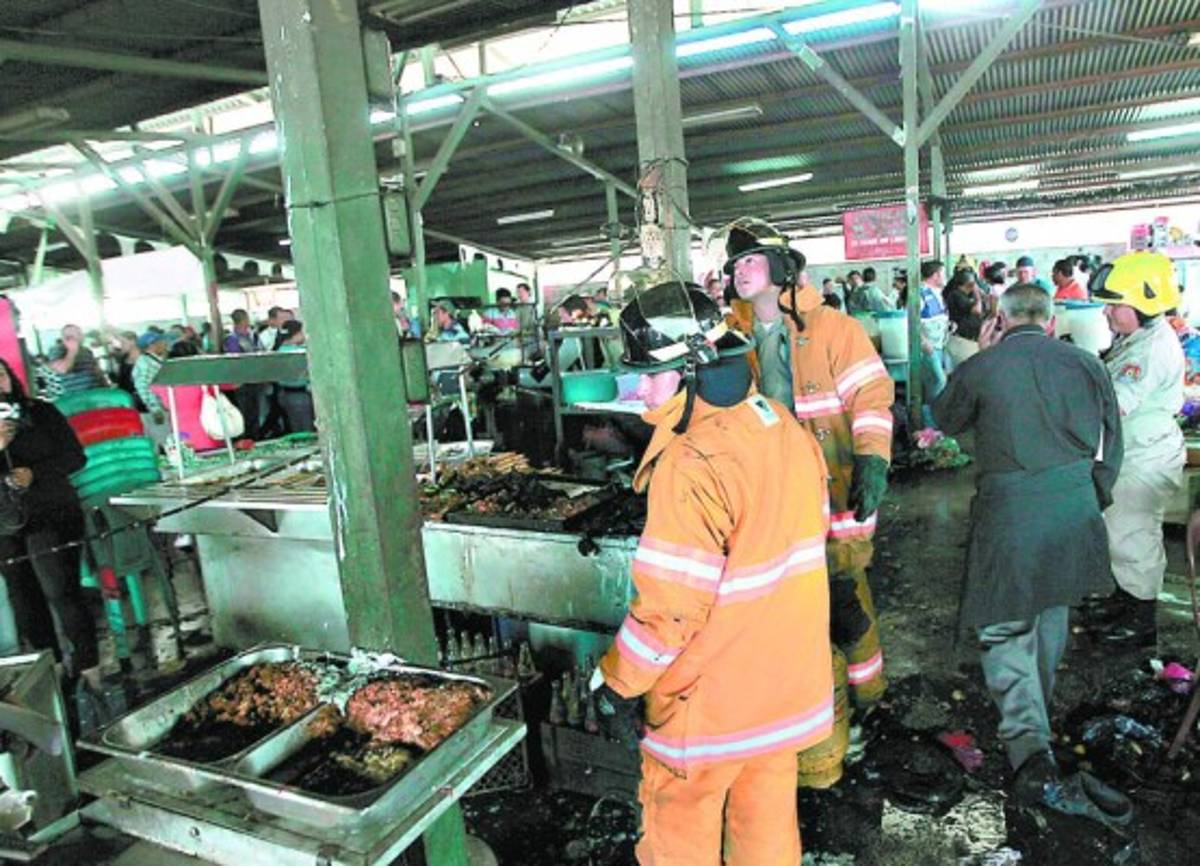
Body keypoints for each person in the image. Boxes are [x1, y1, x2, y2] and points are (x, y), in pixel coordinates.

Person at [592, 281, 833, 865]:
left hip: (709, 705)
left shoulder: (691, 462)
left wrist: (618, 684)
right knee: (767, 829)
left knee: (678, 835)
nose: (640, 388)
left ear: (695, 371)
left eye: (652, 374)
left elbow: (671, 610)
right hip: (783, 688)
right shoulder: (779, 423)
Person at [931, 283, 1132, 829]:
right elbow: (1113, 440)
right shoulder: (1086, 364)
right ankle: (1035, 716)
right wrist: (1094, 495)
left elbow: (944, 417)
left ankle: (1028, 749)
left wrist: (978, 352)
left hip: (1011, 509)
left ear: (1000, 317)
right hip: (1074, 505)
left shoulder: (987, 365)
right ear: (1049, 319)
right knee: (1051, 609)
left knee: (1003, 623)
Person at [725, 218, 893, 788]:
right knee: (793, 607)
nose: (738, 271)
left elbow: (871, 395)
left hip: (835, 490)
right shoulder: (734, 337)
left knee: (844, 593)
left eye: (749, 260)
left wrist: (873, 459)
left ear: (781, 269)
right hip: (772, 501)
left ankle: (869, 695)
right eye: (734, 265)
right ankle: (818, 714)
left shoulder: (834, 330)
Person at [1091, 252, 1186, 647]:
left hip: (1143, 457)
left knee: (1134, 536)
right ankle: (1125, 599)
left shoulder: (1150, 350)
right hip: (1131, 453)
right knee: (1119, 533)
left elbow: (1115, 404)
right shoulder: (1139, 337)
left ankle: (1142, 620)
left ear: (1145, 305)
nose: (1108, 314)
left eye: (1116, 305)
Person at [0, 358, 98, 682]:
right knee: (24, 599)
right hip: (5, 524)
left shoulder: (40, 413)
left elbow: (75, 456)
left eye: (0, 375)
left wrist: (34, 473)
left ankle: (89, 669)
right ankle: (52, 673)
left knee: (60, 590)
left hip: (52, 513)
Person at [151, 340, 231, 453]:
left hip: (180, 432)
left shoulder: (163, 382)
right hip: (209, 429)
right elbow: (232, 384)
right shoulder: (204, 378)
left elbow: (162, 402)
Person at [919, 260, 952, 421]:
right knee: (937, 381)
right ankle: (930, 425)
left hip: (940, 345)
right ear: (935, 275)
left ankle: (936, 422)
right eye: (943, 273)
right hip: (927, 347)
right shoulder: (920, 293)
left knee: (939, 383)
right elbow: (910, 320)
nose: (945, 277)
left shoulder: (938, 294)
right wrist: (923, 341)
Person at [224, 309, 263, 439]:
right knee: (245, 414)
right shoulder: (233, 340)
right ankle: (247, 439)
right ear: (244, 320)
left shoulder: (251, 337)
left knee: (254, 413)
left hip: (253, 380)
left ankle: (255, 437)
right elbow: (234, 361)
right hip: (241, 382)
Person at [273, 320, 315, 433]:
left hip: (284, 395)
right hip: (299, 395)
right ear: (295, 334)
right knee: (306, 429)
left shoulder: (278, 351)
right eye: (301, 332)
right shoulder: (298, 353)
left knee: (295, 426)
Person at [944, 271, 985, 367]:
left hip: (969, 339)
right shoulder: (957, 295)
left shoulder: (966, 295)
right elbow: (977, 310)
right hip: (962, 339)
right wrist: (977, 295)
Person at [132, 331, 171, 423]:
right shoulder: (144, 363)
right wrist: (154, 408)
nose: (164, 344)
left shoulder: (155, 360)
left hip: (162, 407)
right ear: (151, 345)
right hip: (155, 412)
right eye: (161, 342)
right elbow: (143, 386)